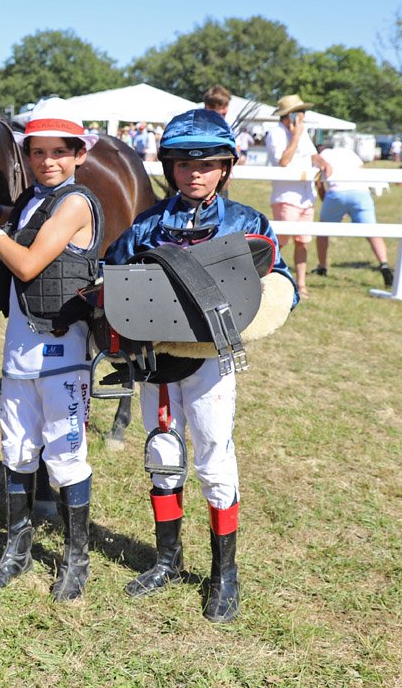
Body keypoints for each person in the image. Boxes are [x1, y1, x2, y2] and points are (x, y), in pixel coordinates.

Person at [105, 109, 296, 623]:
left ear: (226, 167)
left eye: (208, 164)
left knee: (214, 457)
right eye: (183, 163)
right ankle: (167, 558)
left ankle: (224, 573)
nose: (195, 173)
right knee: (164, 455)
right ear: (168, 167)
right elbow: (115, 280)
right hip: (158, 363)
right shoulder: (145, 226)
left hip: (211, 361)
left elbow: (280, 283)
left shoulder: (247, 223)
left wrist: (268, 308)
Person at [0, 98, 103, 602]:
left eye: (60, 152)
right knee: (17, 451)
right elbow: (14, 225)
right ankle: (17, 550)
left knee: (65, 455)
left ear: (79, 154)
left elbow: (27, 264)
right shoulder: (34, 201)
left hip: (63, 352)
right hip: (20, 351)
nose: (48, 161)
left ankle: (76, 557)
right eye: (38, 152)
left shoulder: (75, 203)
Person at [264, 94, 332, 298]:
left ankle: (301, 284)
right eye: (299, 112)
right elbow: (283, 161)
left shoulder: (303, 134)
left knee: (303, 242)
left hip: (306, 197)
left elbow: (312, 155)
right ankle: (267, 278)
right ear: (289, 116)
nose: (303, 116)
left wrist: (323, 163)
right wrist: (295, 136)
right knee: (280, 242)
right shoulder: (275, 134)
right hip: (286, 196)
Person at [313, 144, 395, 287]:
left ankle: (322, 266)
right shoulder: (349, 152)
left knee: (322, 231)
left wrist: (331, 204)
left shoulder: (322, 156)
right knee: (373, 232)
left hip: (337, 192)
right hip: (361, 192)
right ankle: (384, 264)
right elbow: (362, 170)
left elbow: (319, 183)